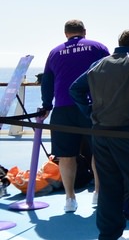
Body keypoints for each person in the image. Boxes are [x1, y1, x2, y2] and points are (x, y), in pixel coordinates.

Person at [70, 30, 129, 240]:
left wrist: (90, 113)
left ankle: (109, 235)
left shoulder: (98, 64)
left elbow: (75, 89)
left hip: (100, 133)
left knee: (109, 186)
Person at [39, 19, 108, 213]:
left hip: (63, 109)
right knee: (98, 152)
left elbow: (47, 81)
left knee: (66, 156)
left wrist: (46, 105)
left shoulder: (54, 52)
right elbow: (111, 73)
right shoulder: (98, 47)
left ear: (65, 33)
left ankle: (69, 198)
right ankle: (98, 193)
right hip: (92, 107)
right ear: (84, 31)